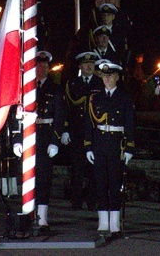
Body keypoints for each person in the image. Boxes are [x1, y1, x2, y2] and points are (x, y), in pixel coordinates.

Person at [85, 61, 136, 240]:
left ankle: (114, 223)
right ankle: (103, 221)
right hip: (100, 142)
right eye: (104, 76)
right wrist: (88, 145)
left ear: (117, 77)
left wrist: (129, 146)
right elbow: (90, 124)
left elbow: (130, 123)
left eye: (110, 76)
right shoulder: (95, 98)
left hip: (116, 143)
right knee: (100, 182)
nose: (107, 79)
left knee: (115, 183)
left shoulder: (124, 97)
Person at [21, 51, 65, 231]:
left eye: (46, 66)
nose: (43, 68)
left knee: (45, 177)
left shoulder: (55, 89)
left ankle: (42, 216)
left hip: (46, 135)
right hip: (29, 134)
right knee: (27, 176)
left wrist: (55, 141)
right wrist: (17, 139)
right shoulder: (27, 88)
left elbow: (60, 116)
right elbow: (18, 116)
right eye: (39, 65)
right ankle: (27, 212)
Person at [62, 51, 104, 211]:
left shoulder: (100, 83)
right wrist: (65, 129)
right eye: (86, 64)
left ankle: (93, 201)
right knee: (77, 168)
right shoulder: (72, 84)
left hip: (95, 132)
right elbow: (66, 108)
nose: (89, 66)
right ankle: (76, 201)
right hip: (77, 131)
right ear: (80, 66)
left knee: (94, 169)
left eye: (92, 64)